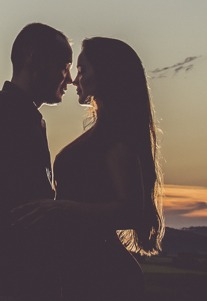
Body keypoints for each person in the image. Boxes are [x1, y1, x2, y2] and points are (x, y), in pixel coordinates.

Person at [13, 37, 164, 301]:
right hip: (83, 273)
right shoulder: (102, 134)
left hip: (105, 278)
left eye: (81, 71)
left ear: (105, 76)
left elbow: (130, 210)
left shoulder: (116, 140)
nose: (73, 80)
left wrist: (60, 207)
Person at [0, 23, 73, 301]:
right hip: (9, 286)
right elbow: (7, 211)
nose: (69, 78)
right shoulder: (1, 112)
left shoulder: (19, 114)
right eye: (64, 65)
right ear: (34, 59)